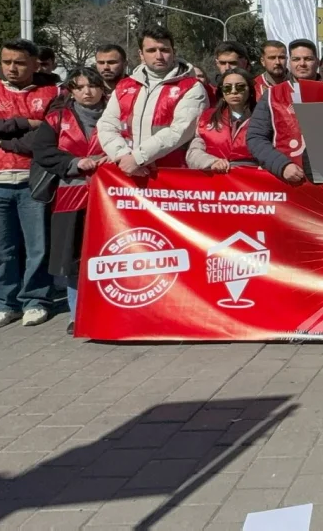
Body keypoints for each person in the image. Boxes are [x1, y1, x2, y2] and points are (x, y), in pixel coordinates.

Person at [0, 40, 60, 329]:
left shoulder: (53, 93)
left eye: (19, 62)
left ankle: (35, 300)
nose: (12, 68)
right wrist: (21, 124)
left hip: (35, 178)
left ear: (34, 63)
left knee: (38, 245)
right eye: (6, 62)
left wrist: (2, 139)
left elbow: (49, 133)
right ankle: (4, 302)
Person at [29, 69, 109, 337]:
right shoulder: (56, 118)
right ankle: (78, 314)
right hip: (70, 195)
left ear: (102, 88)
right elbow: (43, 152)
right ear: (71, 91)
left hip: (111, 199)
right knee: (73, 260)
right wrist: (73, 163)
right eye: (80, 87)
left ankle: (111, 310)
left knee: (111, 256)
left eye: (93, 86)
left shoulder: (118, 116)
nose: (87, 92)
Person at [97, 26, 207, 176]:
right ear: (141, 54)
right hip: (128, 173)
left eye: (165, 50)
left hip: (173, 175)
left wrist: (138, 158)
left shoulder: (191, 87)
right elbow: (106, 125)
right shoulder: (125, 86)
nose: (159, 56)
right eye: (151, 51)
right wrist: (122, 156)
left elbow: (180, 131)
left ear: (174, 52)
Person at [246, 39, 321, 185]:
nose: (302, 64)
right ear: (289, 62)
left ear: (317, 62)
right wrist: (282, 165)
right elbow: (255, 138)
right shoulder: (272, 95)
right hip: (287, 184)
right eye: (296, 59)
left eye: (308, 59)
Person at [187, 68, 258, 172]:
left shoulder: (264, 117)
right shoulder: (206, 118)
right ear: (222, 93)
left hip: (253, 180)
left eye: (240, 87)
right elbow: (193, 152)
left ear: (250, 91)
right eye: (227, 88)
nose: (233, 91)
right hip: (217, 180)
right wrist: (212, 162)